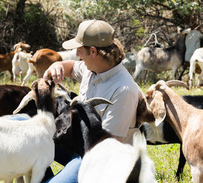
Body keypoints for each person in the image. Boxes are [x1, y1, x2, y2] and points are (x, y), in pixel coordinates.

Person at [42, 19, 141, 183]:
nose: (77, 55)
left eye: (79, 50)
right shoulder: (93, 69)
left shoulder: (123, 90)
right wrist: (58, 65)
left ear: (93, 51)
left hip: (100, 161)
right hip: (79, 145)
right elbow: (72, 67)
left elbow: (106, 148)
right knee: (25, 136)